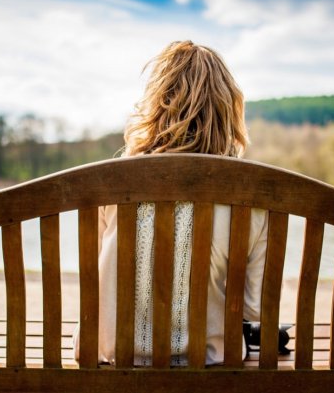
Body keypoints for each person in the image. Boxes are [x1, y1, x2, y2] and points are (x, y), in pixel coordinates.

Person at [77, 40, 269, 366]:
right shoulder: (252, 198)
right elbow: (256, 307)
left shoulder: (112, 184)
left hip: (114, 357)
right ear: (228, 111)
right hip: (210, 362)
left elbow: (94, 284)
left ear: (155, 105)